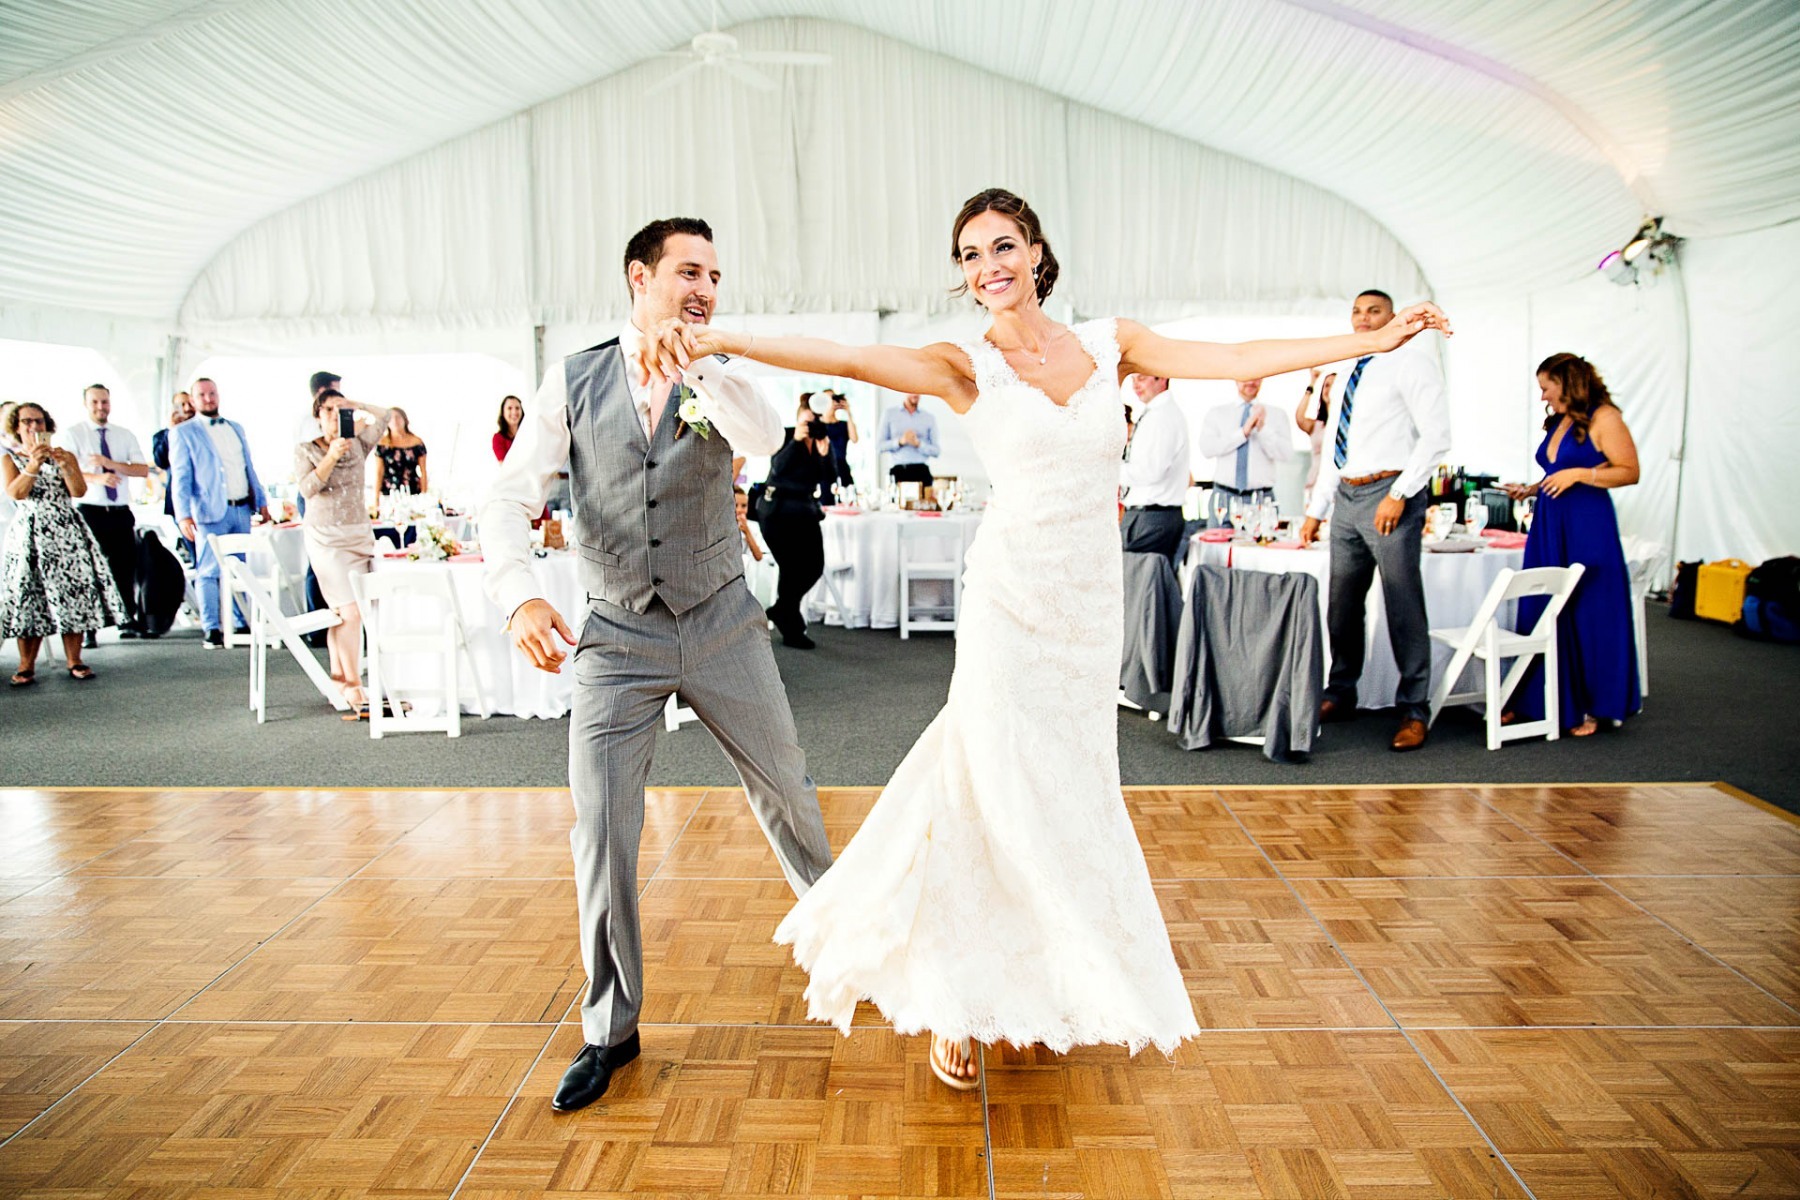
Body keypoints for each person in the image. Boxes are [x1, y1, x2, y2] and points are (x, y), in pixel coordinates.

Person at [639, 187, 1451, 1089]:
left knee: (1061, 796)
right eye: (972, 253)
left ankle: (1031, 982)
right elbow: (851, 356)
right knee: (985, 791)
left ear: (1035, 253)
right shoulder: (962, 362)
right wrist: (725, 339)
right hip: (1008, 599)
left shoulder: (1112, 344)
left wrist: (1368, 342)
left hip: (1085, 606)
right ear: (965, 274)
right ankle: (954, 999)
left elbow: (1235, 355)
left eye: (1004, 245)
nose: (990, 265)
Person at [480, 216, 832, 1113]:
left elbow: (752, 430)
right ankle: (611, 1031)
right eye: (689, 271)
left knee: (787, 790)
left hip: (721, 618)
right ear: (642, 277)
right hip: (615, 634)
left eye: (715, 273)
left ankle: (849, 951)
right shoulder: (573, 379)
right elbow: (508, 497)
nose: (706, 285)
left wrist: (698, 364)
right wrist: (518, 593)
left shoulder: (719, 373)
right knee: (600, 829)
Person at [1298, 289, 1453, 753]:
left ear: (1393, 318)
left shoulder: (1412, 361)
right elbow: (1334, 446)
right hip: (1345, 495)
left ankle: (1413, 710)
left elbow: (1438, 436)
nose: (1364, 319)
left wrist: (1401, 494)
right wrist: (1315, 511)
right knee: (1341, 604)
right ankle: (1341, 691)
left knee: (1403, 603)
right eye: (1357, 312)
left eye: (1375, 312)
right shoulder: (1345, 368)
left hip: (1391, 496)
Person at [1504, 353, 1642, 735]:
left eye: (1546, 387)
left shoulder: (1604, 418)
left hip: (1587, 523)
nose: (1543, 397)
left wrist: (1580, 474)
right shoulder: (1561, 420)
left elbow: (1630, 471)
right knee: (1543, 604)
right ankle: (1537, 701)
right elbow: (1557, 470)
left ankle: (1596, 705)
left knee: (1589, 608)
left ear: (1566, 382)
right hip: (1550, 522)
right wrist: (1534, 488)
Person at [1, 403, 124, 685]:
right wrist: (33, 463)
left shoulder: (64, 455)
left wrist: (67, 466)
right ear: (17, 427)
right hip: (30, 533)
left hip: (66, 531)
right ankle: (26, 664)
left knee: (74, 593)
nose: (34, 427)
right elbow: (16, 493)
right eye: (27, 421)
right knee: (29, 596)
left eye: (40, 421)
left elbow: (78, 490)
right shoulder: (10, 459)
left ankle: (75, 659)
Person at [295, 388, 391, 711]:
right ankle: (355, 687)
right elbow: (308, 488)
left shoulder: (360, 443)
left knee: (347, 613)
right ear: (317, 417)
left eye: (340, 410)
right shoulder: (306, 449)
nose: (336, 416)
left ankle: (340, 680)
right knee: (349, 611)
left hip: (359, 534)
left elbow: (387, 415)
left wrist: (359, 405)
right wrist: (331, 455)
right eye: (329, 411)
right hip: (326, 539)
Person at [168, 377, 273, 648]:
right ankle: (211, 627)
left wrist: (260, 500)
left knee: (239, 568)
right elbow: (180, 477)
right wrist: (183, 515)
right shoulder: (183, 432)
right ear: (193, 400)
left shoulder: (235, 428)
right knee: (209, 570)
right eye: (202, 395)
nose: (208, 398)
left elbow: (248, 466)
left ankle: (241, 622)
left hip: (240, 507)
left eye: (212, 393)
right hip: (208, 511)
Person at [60, 384, 150, 639]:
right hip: (90, 509)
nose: (101, 407)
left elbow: (142, 469)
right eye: (96, 402)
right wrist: (97, 478)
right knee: (90, 568)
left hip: (120, 510)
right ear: (86, 404)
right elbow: (66, 471)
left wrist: (111, 465)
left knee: (124, 567)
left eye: (105, 402)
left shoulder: (123, 435)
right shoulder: (73, 434)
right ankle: (89, 627)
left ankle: (125, 618)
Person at [757, 400, 836, 649]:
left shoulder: (822, 439)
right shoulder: (785, 435)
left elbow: (831, 477)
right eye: (808, 419)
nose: (812, 423)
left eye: (816, 419)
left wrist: (824, 455)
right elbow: (778, 468)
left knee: (814, 566)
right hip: (777, 512)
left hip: (804, 512)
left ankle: (781, 610)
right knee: (791, 569)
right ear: (800, 415)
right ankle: (792, 630)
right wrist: (796, 441)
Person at [1196, 377, 1292, 527]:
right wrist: (1242, 434)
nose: (1250, 382)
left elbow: (1286, 454)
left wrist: (1263, 429)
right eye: (1245, 378)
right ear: (1235, 379)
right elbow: (1207, 449)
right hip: (1224, 498)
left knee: (1260, 549)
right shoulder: (1217, 413)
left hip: (1261, 499)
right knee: (1218, 549)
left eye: (1255, 378)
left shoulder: (1277, 414)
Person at [1118, 373, 1190, 556]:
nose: (1135, 385)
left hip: (1151, 518)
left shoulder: (1162, 417)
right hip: (1149, 517)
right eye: (1133, 380)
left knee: (1141, 581)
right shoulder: (1157, 413)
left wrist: (1108, 471)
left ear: (1162, 378)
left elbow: (1150, 472)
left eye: (1141, 378)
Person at [151, 391, 196, 564]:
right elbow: (160, 461)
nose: (186, 409)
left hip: (207, 502)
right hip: (180, 503)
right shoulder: (163, 436)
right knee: (195, 553)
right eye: (180, 405)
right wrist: (172, 430)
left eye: (188, 404)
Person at [1294, 367, 1335, 505]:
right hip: (1315, 486)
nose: (1329, 389)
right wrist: (1312, 383)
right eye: (1327, 385)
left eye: (1334, 385)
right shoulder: (1317, 425)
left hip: (1337, 488)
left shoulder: (1347, 424)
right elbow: (1300, 417)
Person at [878, 392, 939, 483]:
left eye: (918, 391)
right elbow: (879, 447)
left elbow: (936, 451)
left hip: (922, 472)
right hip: (898, 472)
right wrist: (900, 441)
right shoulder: (889, 414)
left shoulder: (929, 417)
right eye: (912, 391)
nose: (915, 394)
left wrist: (918, 444)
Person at [375, 406, 428, 496]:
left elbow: (423, 471)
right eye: (391, 418)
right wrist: (376, 498)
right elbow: (379, 472)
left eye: (398, 417)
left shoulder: (417, 442)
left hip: (412, 490)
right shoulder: (382, 443)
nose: (395, 421)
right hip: (389, 492)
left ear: (405, 420)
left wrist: (424, 494)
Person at [818, 388, 858, 501]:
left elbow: (854, 439)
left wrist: (848, 412)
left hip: (841, 468)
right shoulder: (818, 425)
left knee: (846, 500)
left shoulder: (843, 425)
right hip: (823, 469)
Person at [734, 485, 765, 562]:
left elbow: (758, 556)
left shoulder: (754, 527)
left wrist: (747, 531)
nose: (739, 510)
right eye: (735, 505)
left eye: (744, 506)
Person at [493, 394, 524, 461]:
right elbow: (504, 465)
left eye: (517, 408)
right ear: (503, 412)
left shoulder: (528, 434)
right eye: (509, 408)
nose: (514, 412)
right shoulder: (498, 438)